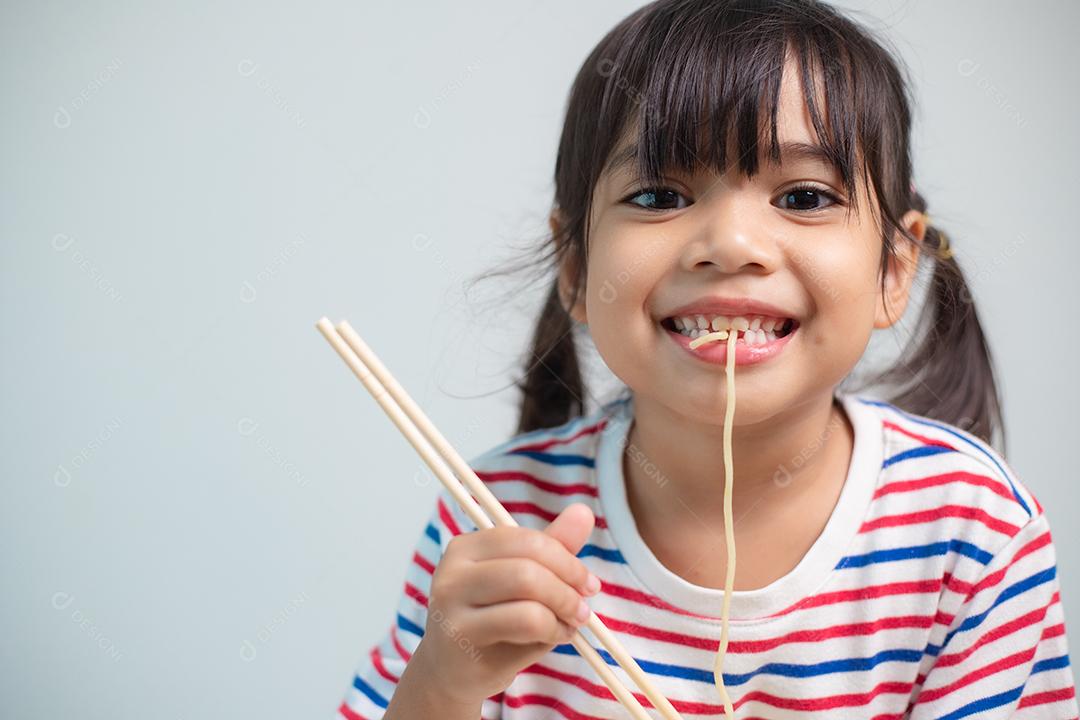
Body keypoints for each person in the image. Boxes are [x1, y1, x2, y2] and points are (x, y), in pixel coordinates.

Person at [336, 0, 1079, 717]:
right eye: (660, 195)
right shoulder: (495, 519)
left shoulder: (971, 533)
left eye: (806, 196)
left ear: (894, 269)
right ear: (575, 267)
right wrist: (443, 684)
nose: (731, 244)